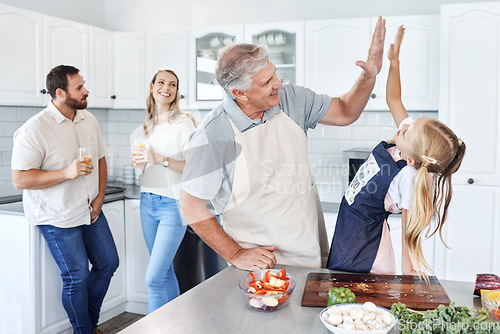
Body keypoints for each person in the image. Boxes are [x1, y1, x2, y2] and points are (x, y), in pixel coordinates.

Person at [179, 17, 387, 271]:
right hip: (262, 269)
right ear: (240, 94)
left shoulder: (290, 99)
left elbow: (345, 111)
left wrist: (368, 78)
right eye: (266, 82)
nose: (278, 83)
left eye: (274, 73)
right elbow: (190, 206)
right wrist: (235, 254)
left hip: (310, 254)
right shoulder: (214, 136)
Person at [327, 26, 466, 277]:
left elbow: (408, 234)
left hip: (367, 247)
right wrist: (394, 61)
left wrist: (408, 273)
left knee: (360, 294)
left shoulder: (409, 177)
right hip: (349, 225)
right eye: (411, 123)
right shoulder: (407, 145)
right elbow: (394, 99)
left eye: (410, 129)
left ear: (412, 159)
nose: (405, 125)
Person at [11, 65, 119, 334]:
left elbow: (101, 158)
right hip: (57, 215)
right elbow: (21, 179)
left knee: (108, 263)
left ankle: (89, 326)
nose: (87, 91)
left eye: (84, 85)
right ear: (60, 92)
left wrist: (100, 197)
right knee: (77, 276)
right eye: (79, 87)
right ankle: (85, 331)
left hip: (90, 209)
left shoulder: (88, 120)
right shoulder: (34, 129)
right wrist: (66, 172)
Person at [130, 68, 196, 313]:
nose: (166, 88)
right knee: (165, 273)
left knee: (153, 279)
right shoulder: (147, 125)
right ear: (152, 86)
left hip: (173, 205)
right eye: (161, 82)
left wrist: (158, 158)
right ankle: (176, 325)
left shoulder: (183, 123)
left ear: (177, 91)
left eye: (173, 85)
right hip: (147, 202)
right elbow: (145, 169)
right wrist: (140, 165)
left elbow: (193, 167)